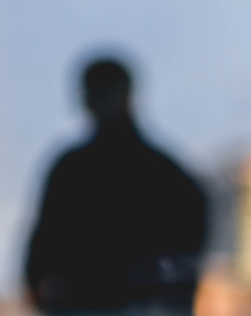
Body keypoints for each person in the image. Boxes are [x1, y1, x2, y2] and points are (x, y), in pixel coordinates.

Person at [25, 57, 208, 315]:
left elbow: (40, 249)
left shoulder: (72, 170)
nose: (92, 100)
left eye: (100, 91)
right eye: (92, 91)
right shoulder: (165, 173)